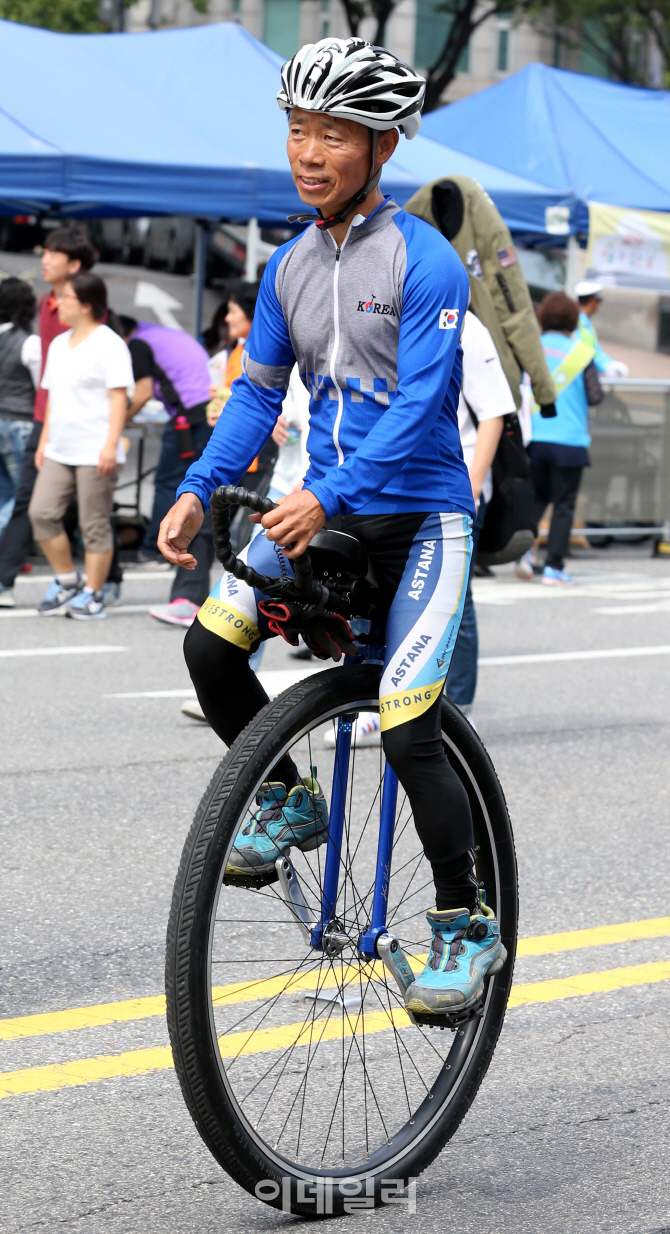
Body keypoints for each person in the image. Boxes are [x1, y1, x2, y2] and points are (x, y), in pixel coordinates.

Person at [157, 38, 505, 1017]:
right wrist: (199, 483)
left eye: (334, 133)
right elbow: (254, 399)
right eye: (297, 130)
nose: (309, 152)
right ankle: (286, 794)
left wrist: (327, 489)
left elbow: (418, 411)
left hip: (420, 520)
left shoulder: (427, 262)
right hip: (320, 515)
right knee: (211, 647)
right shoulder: (287, 270)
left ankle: (465, 920)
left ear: (383, 144)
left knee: (407, 728)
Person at [0, 226, 96, 609]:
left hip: (86, 420)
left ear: (74, 264)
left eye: (53, 255)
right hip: (46, 416)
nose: (44, 260)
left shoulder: (90, 301)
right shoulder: (45, 303)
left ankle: (104, 580)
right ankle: (5, 580)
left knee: (92, 508)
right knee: (30, 499)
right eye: (45, 253)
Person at [28, 273, 133, 619]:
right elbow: (54, 400)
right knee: (41, 512)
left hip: (95, 449)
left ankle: (93, 592)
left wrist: (110, 445)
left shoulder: (109, 343)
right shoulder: (59, 344)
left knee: (94, 523)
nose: (58, 303)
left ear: (86, 305)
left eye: (66, 297)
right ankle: (67, 580)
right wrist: (44, 442)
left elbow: (119, 399)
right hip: (59, 446)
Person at [117, 315, 214, 627]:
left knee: (170, 484)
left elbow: (143, 392)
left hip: (191, 417)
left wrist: (117, 422)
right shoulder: (160, 333)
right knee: (195, 488)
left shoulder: (138, 344)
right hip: (204, 409)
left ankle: (154, 548)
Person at [445, 310, 514, 721]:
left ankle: (458, 707)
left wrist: (471, 486)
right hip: (403, 486)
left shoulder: (466, 325)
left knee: (456, 599)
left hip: (458, 484)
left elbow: (493, 413)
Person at [525, 291, 602, 586]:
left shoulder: (533, 347)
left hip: (535, 438)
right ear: (573, 319)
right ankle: (553, 567)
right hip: (569, 441)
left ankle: (524, 556)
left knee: (536, 499)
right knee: (564, 506)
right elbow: (595, 396)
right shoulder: (582, 352)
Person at [206, 281, 283, 553]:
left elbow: (262, 398)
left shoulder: (274, 349)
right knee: (210, 521)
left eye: (232, 311)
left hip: (262, 454)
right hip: (237, 451)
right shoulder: (236, 352)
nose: (227, 318)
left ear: (251, 312)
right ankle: (189, 593)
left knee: (249, 535)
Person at [0, 279, 41, 534]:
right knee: (24, 496)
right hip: (20, 424)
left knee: (4, 494)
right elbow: (42, 389)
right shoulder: (28, 342)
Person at [574, 280, 629, 377]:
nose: (598, 305)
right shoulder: (579, 323)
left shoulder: (585, 322)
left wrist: (609, 363)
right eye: (598, 301)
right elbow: (585, 353)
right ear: (592, 300)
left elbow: (595, 349)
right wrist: (606, 365)